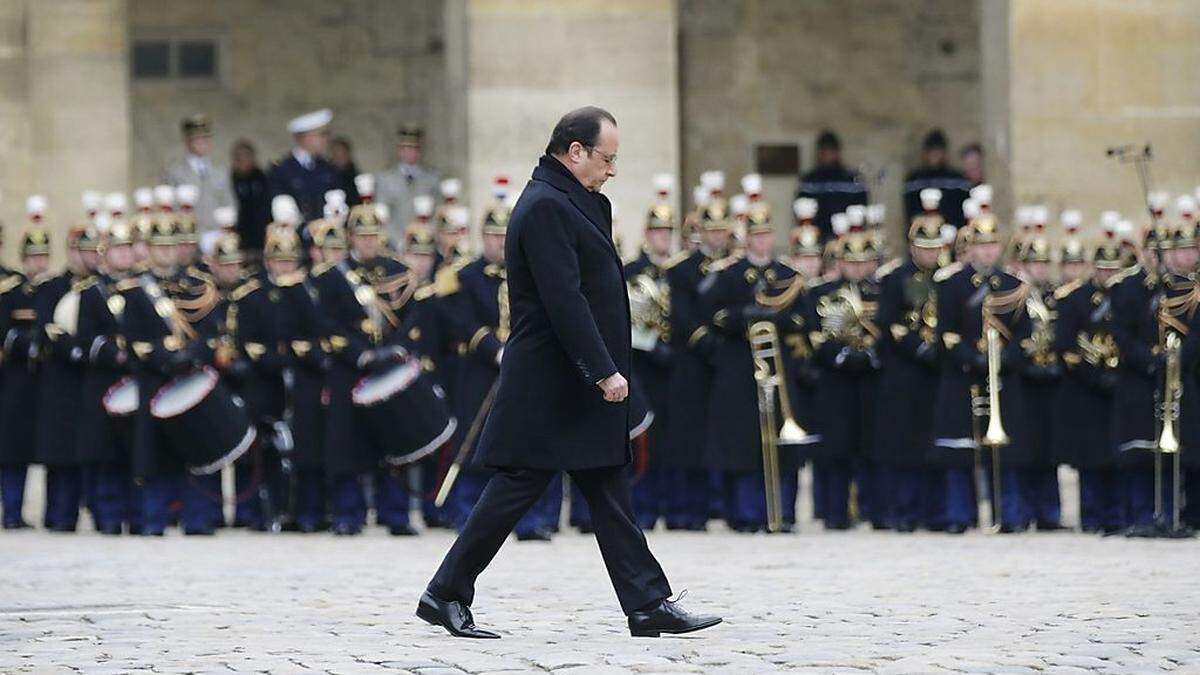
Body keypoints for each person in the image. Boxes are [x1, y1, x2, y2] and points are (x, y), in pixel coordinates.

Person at [418, 106, 720, 639]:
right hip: (552, 379)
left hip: (572, 380)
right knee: (517, 485)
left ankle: (647, 602)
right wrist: (602, 370)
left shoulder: (579, 202)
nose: (613, 169)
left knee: (606, 483)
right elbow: (564, 300)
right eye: (607, 157)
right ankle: (444, 592)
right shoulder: (543, 207)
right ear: (575, 151)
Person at [871, 191, 946, 531]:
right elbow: (890, 322)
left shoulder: (947, 278)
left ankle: (934, 511)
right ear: (912, 246)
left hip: (938, 370)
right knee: (902, 444)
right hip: (905, 370)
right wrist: (916, 347)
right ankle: (902, 510)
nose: (930, 254)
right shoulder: (895, 278)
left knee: (934, 443)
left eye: (935, 247)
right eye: (924, 247)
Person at [0, 204, 52, 530]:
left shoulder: (17, 286)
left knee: (13, 449)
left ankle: (13, 510)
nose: (38, 262)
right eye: (33, 256)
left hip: (14, 378)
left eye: (42, 256)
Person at [162, 114, 235, 235]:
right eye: (197, 139)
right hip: (186, 235)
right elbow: (168, 206)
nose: (203, 143)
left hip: (216, 233)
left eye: (206, 138)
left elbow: (229, 202)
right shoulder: (174, 171)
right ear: (187, 142)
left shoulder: (220, 171)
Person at [269, 109, 340, 222]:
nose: (326, 140)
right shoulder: (282, 169)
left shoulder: (326, 167)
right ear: (306, 137)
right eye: (322, 135)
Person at [796, 130, 869, 241]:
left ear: (837, 152)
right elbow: (801, 209)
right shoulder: (810, 180)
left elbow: (862, 208)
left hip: (848, 238)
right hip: (817, 239)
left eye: (830, 151)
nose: (826, 155)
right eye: (823, 151)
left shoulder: (851, 179)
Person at [376, 124, 441, 244]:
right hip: (395, 243)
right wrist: (399, 242)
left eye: (415, 148)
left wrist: (427, 236)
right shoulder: (385, 179)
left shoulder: (432, 178)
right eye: (406, 148)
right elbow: (383, 215)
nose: (410, 152)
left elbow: (438, 212)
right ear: (399, 150)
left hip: (424, 242)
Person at [903, 129, 972, 227]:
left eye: (938, 150)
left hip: (952, 232)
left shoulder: (957, 180)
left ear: (944, 153)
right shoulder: (914, 180)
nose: (934, 155)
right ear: (925, 153)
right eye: (931, 151)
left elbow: (963, 209)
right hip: (922, 233)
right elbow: (911, 211)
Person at [231, 140, 273, 255]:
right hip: (238, 235)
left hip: (261, 236)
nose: (243, 161)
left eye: (246, 156)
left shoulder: (262, 179)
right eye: (239, 158)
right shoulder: (231, 179)